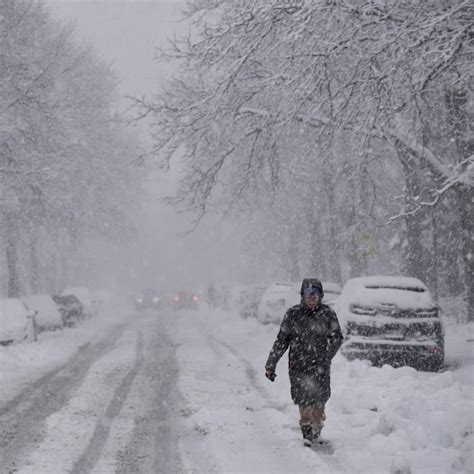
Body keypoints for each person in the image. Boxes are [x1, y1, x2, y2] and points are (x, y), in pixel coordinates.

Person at [264, 278, 343, 446]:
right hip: (298, 365)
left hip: (320, 366)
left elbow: (337, 338)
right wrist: (271, 364)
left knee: (320, 400)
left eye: (315, 294)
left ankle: (317, 428)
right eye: (308, 294)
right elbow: (281, 341)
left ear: (321, 296)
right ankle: (307, 431)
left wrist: (327, 356)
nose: (312, 297)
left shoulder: (328, 314)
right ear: (303, 296)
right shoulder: (293, 314)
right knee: (304, 399)